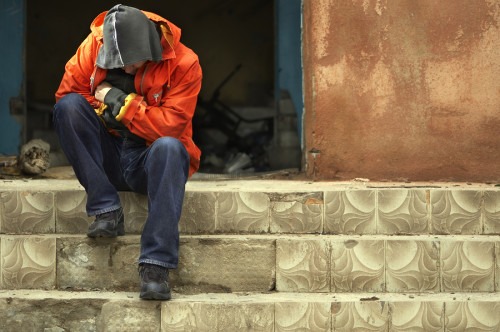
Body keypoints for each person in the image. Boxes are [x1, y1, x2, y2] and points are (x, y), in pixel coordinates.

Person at [53, 4, 202, 301]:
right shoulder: (92, 44)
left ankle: (156, 266)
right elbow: (70, 94)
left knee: (171, 147)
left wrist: (118, 101)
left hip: (148, 161)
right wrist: (120, 112)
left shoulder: (186, 62)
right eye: (117, 63)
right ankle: (106, 209)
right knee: (67, 108)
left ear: (151, 48)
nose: (126, 69)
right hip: (108, 151)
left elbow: (168, 127)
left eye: (133, 62)